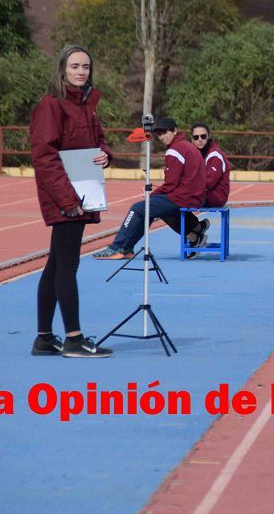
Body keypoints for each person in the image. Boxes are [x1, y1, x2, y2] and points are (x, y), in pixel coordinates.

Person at [29, 44, 114, 358]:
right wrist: (68, 199)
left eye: (86, 67)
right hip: (66, 197)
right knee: (68, 265)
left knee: (55, 265)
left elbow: (98, 142)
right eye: (75, 66)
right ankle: (74, 340)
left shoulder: (87, 105)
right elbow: (45, 157)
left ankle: (44, 338)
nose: (81, 72)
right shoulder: (51, 106)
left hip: (82, 194)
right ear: (62, 69)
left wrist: (106, 155)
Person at [92, 117, 206, 259]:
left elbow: (170, 184)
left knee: (139, 208)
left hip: (184, 196)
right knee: (153, 208)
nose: (162, 137)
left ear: (174, 131)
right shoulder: (187, 146)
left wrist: (151, 196)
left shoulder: (175, 150)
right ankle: (194, 229)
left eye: (165, 132)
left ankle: (118, 247)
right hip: (194, 196)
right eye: (159, 134)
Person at [162, 122, 230, 252]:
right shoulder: (194, 154)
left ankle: (194, 235)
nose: (199, 140)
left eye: (203, 136)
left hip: (214, 196)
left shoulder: (214, 155)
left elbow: (208, 182)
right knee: (165, 203)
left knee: (166, 204)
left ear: (209, 136)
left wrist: (182, 188)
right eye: (196, 137)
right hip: (200, 193)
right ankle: (197, 229)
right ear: (191, 139)